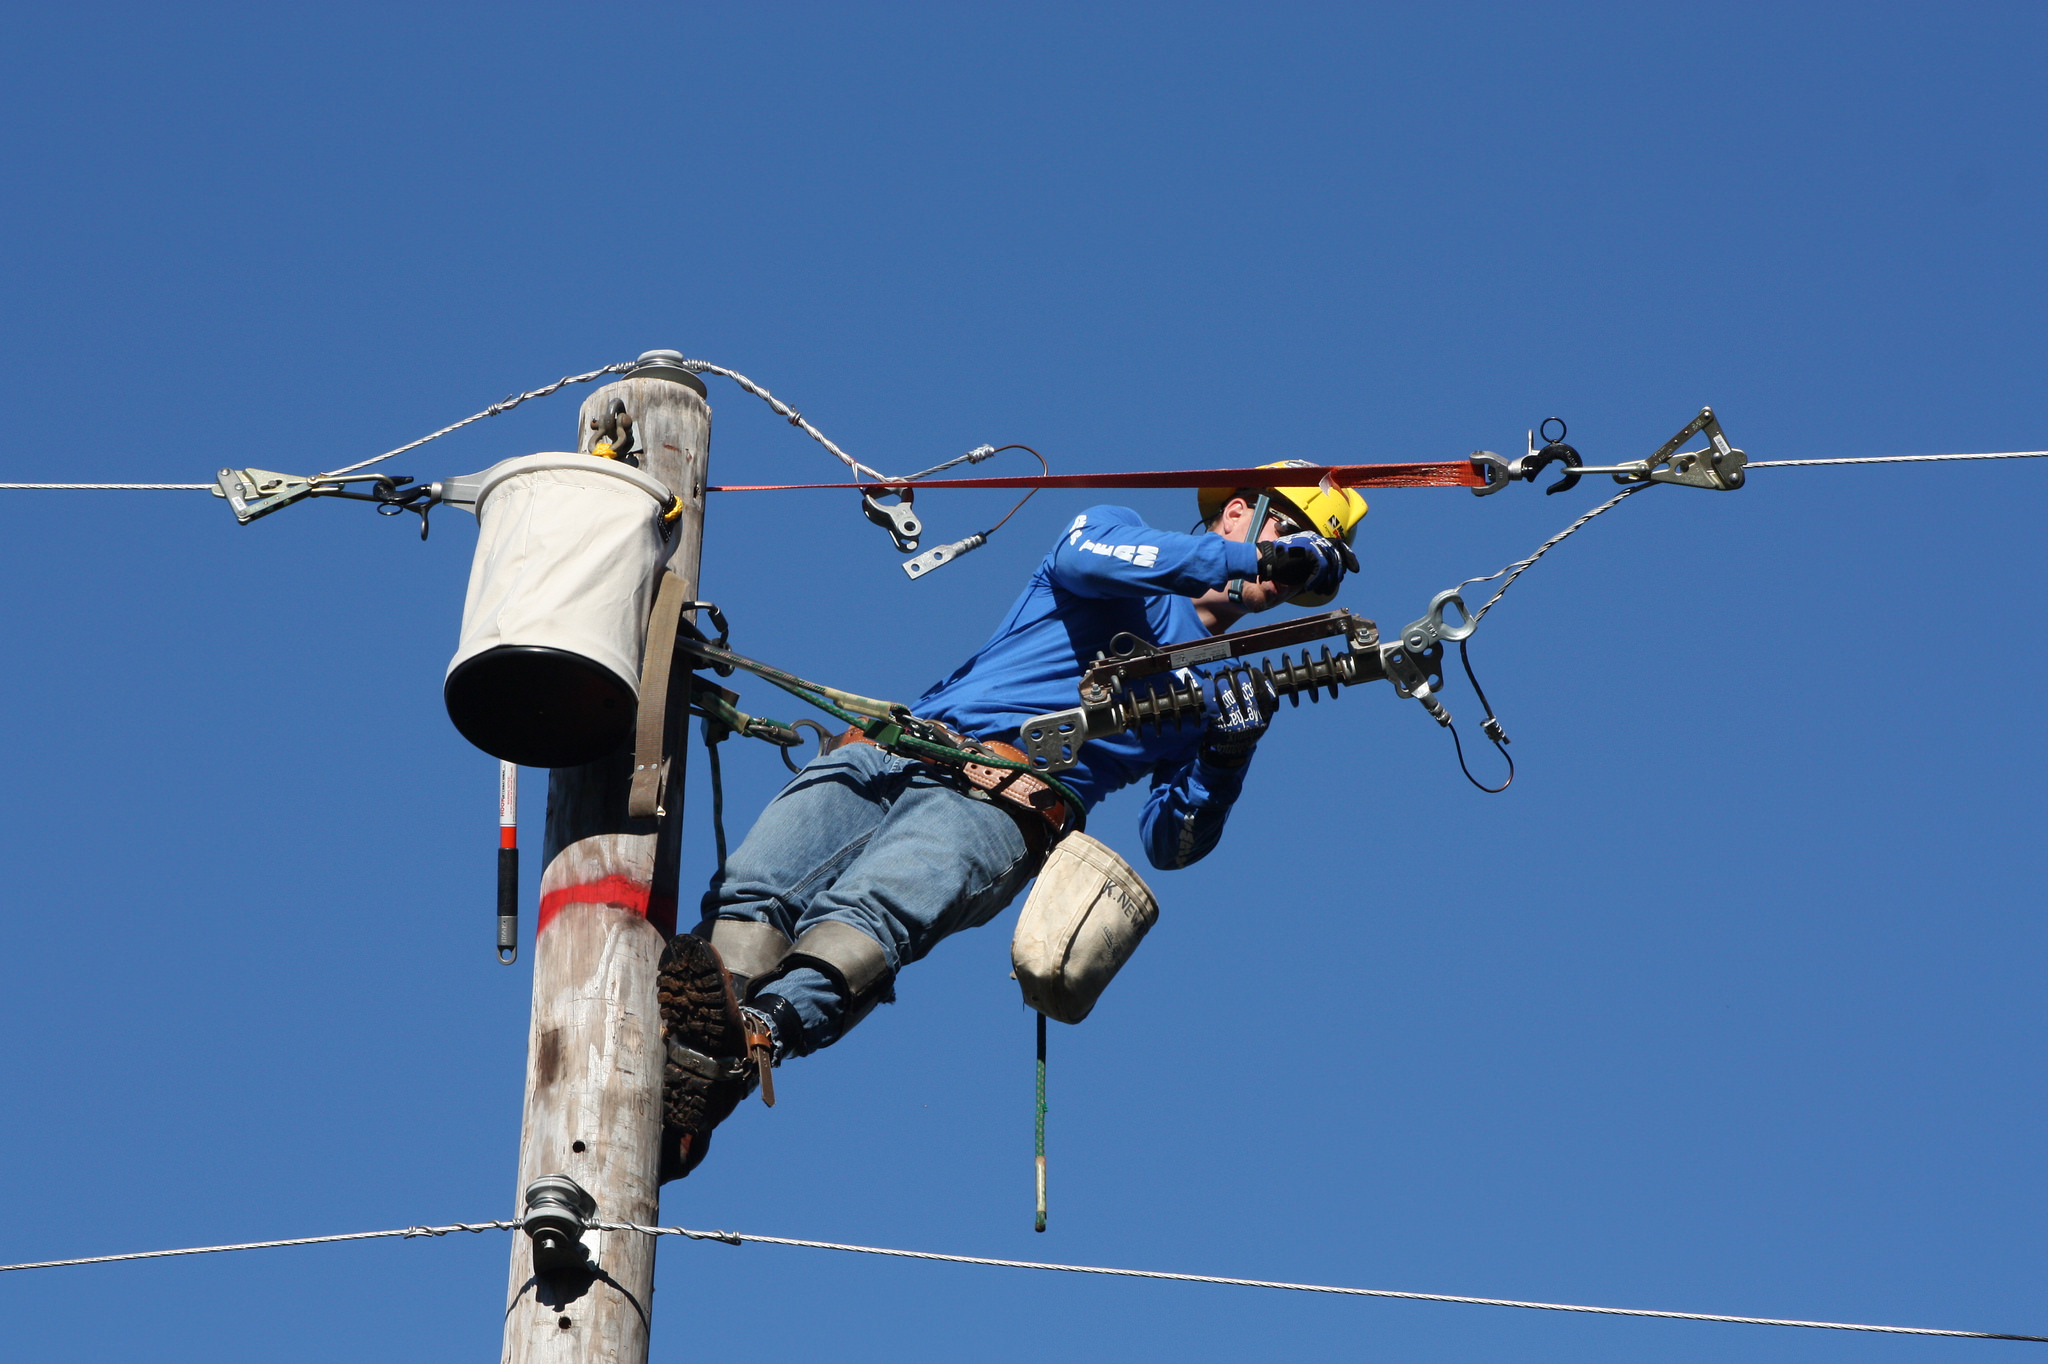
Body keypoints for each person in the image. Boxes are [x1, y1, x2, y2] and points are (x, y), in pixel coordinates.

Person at [654, 466, 1369, 1180]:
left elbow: (1170, 842)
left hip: (1005, 803)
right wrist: (1252, 559)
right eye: (1288, 534)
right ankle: (691, 1072)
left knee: (867, 917)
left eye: (1309, 568)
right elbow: (1083, 555)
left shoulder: (1214, 689)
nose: (1288, 572)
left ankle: (752, 1040)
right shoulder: (1118, 542)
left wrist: (1226, 756)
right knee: (752, 889)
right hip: (894, 749)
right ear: (1237, 512)